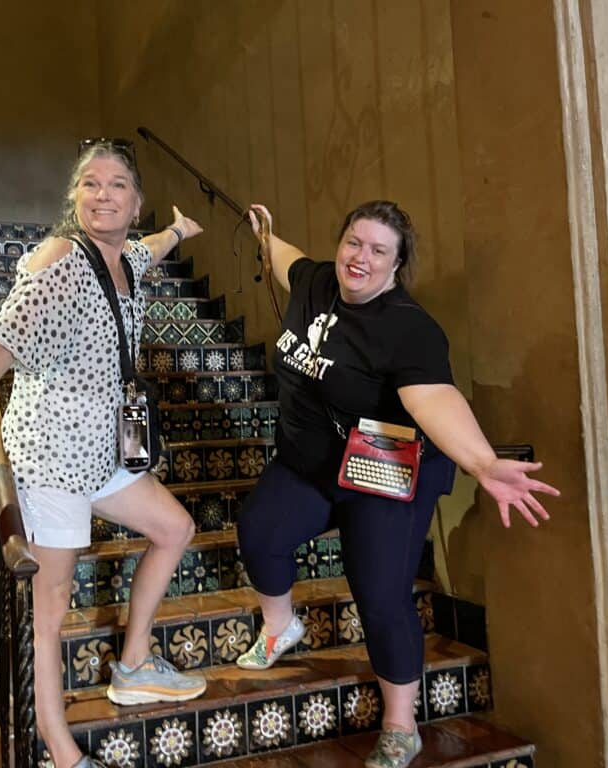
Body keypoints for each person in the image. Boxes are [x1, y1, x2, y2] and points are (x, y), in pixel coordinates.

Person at [0, 141, 206, 768]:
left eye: (117, 185)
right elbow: (0, 345)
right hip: (51, 457)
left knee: (175, 528)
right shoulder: (61, 260)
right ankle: (61, 752)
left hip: (103, 452)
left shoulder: (127, 258)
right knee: (50, 605)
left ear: (135, 202)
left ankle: (133, 663)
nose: (103, 194)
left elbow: (151, 246)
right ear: (74, 198)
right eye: (90, 184)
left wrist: (179, 230)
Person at [234, 201, 560, 768]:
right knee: (260, 532)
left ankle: (400, 725)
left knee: (380, 594)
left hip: (385, 472)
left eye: (378, 250)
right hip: (309, 463)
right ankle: (280, 627)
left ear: (396, 263)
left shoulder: (408, 329)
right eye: (353, 242)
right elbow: (285, 258)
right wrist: (265, 235)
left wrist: (482, 463)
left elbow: (433, 399)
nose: (360, 257)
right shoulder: (315, 281)